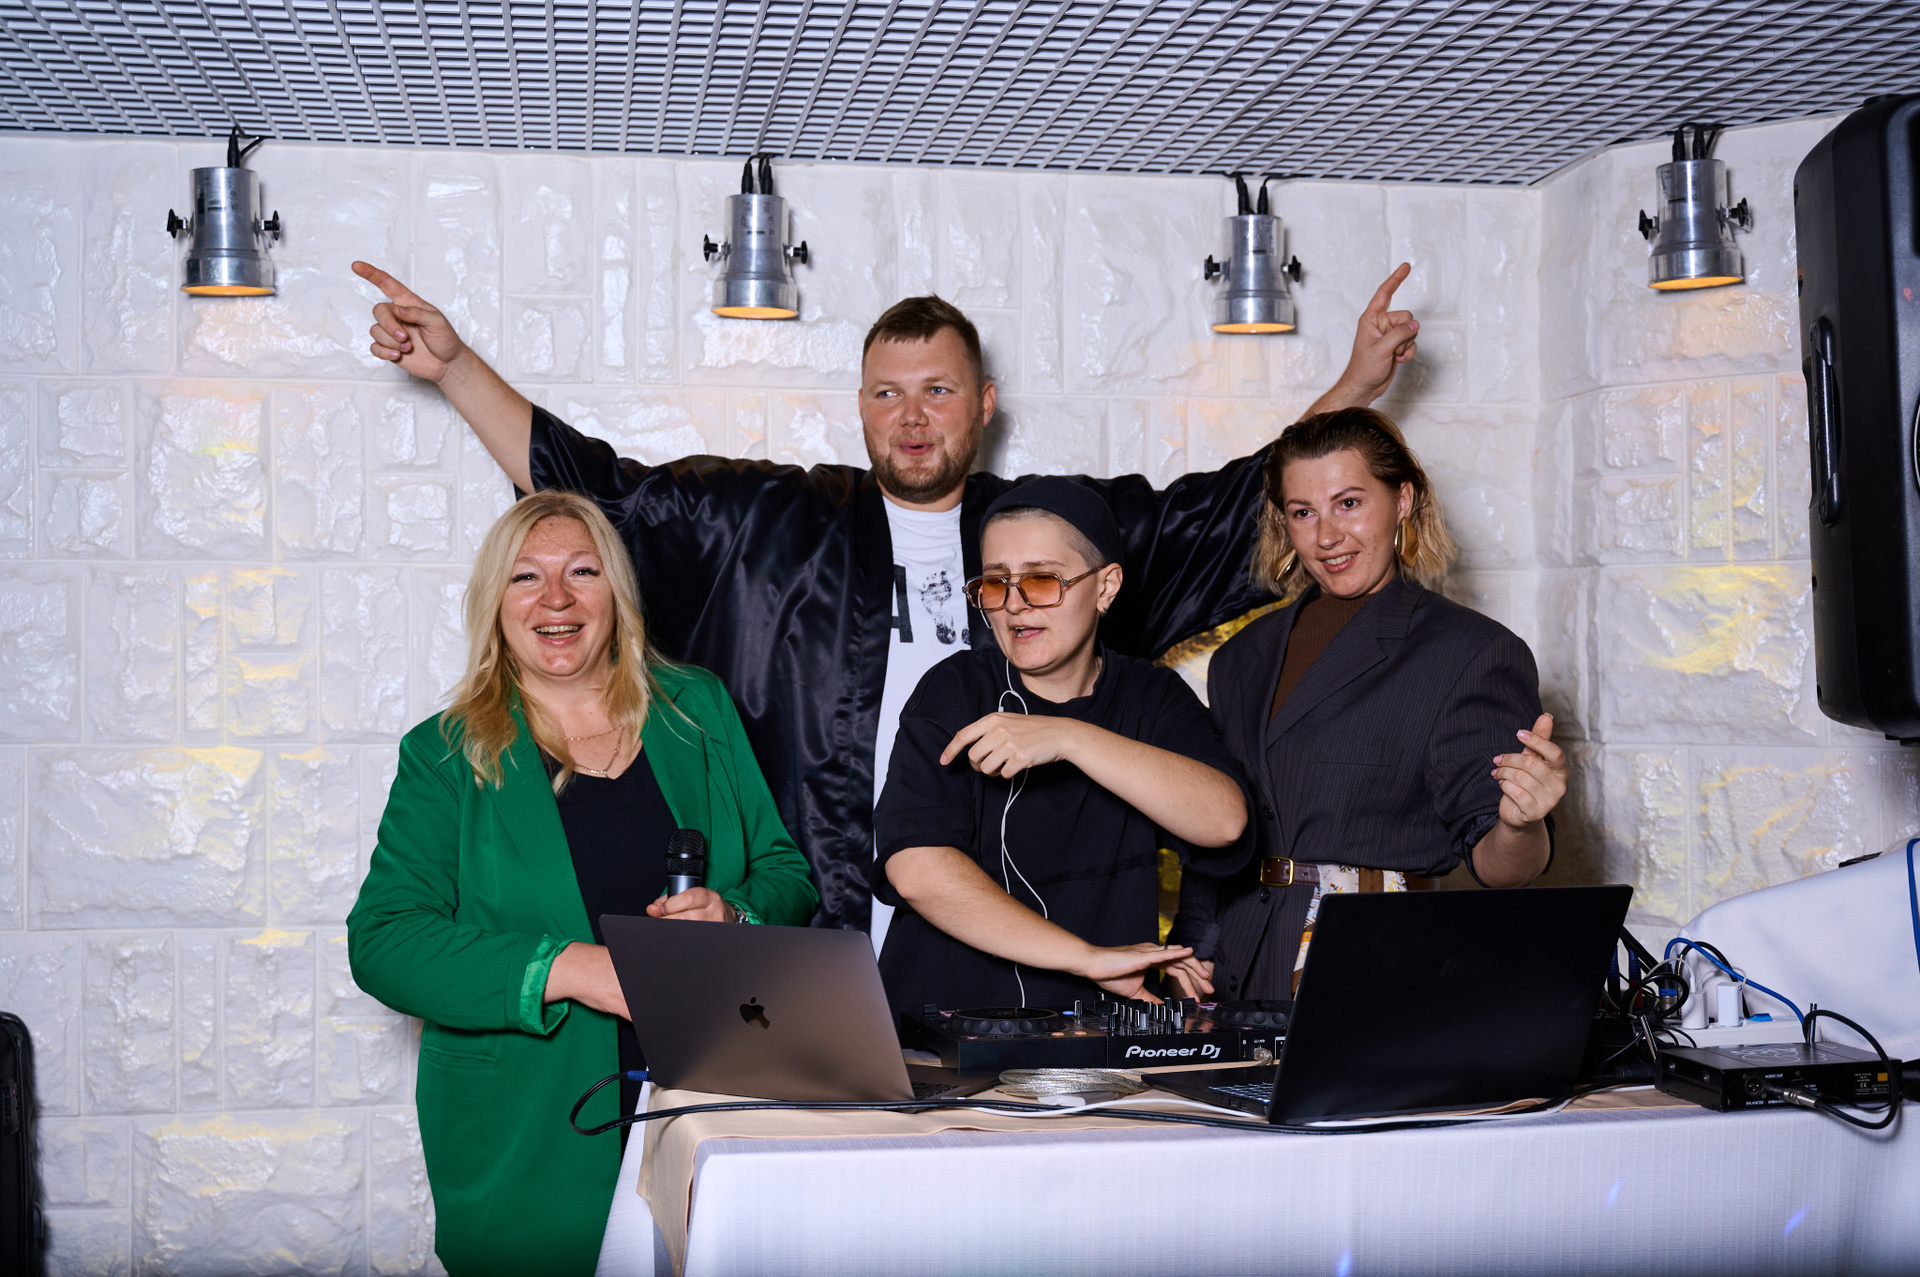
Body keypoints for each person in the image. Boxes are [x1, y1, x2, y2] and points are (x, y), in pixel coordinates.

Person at [351, 257, 1420, 934]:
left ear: (984, 404)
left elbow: (1226, 513)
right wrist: (456, 369)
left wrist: (1354, 393)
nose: (912, 418)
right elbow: (603, 496)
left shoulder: (1051, 537)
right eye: (888, 394)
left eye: (939, 390)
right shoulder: (770, 524)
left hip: (1026, 926)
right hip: (810, 922)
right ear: (859, 407)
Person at [345, 490, 816, 1277]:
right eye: (526, 576)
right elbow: (384, 941)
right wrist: (568, 968)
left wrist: (733, 915)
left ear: (616, 593)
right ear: (496, 604)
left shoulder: (696, 709)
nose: (556, 599)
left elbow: (785, 873)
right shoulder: (443, 754)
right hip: (528, 1142)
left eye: (582, 572)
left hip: (714, 1115)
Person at [1169, 407, 1567, 1003]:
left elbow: (1502, 867)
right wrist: (1189, 949)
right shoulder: (1241, 656)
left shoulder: (1471, 652)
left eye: (1349, 503)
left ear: (1403, 500)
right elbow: (1213, 831)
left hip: (1374, 965)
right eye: (1303, 512)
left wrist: (1521, 823)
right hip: (1232, 970)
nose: (1327, 536)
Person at [874, 479, 1249, 1014]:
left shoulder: (1153, 696)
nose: (1014, 606)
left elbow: (1224, 821)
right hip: (941, 1028)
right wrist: (1086, 959)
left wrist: (1069, 737)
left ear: (1106, 587)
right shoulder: (954, 688)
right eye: (996, 584)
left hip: (1092, 1035)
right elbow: (916, 871)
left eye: (1041, 580)